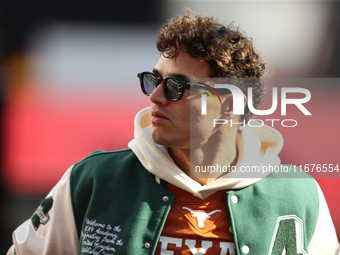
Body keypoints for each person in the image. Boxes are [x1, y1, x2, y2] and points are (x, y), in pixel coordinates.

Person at [7, 12, 339, 255]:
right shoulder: (93, 179)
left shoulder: (298, 195)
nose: (155, 96)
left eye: (177, 86)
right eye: (154, 80)